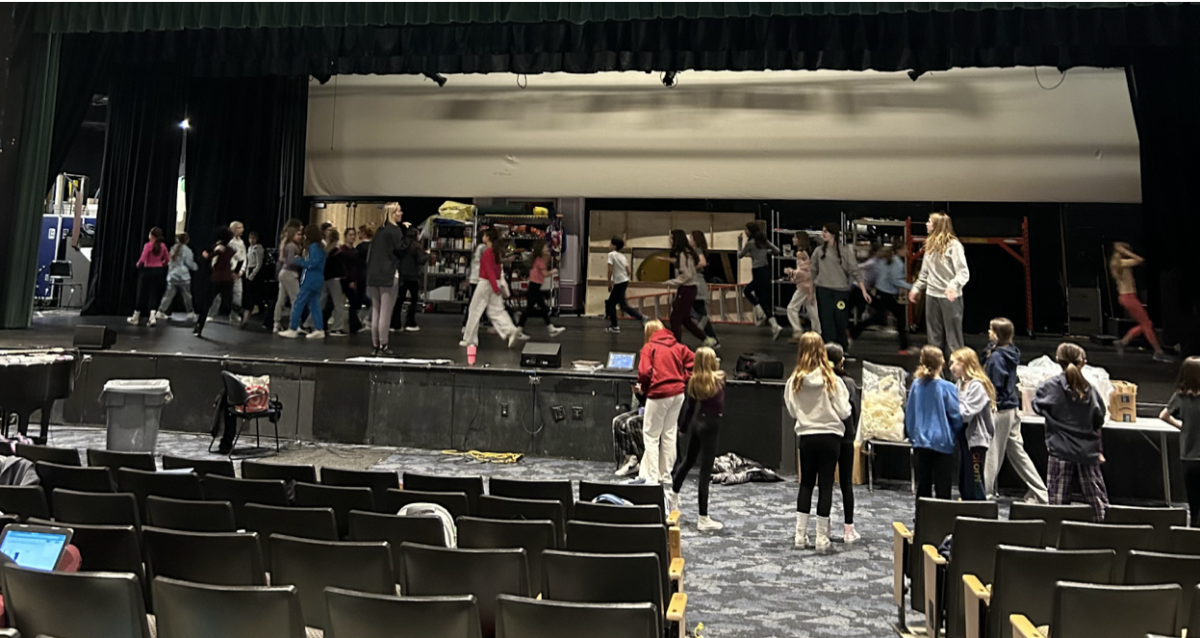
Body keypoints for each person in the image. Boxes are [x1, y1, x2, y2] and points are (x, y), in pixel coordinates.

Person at [786, 332, 851, 550]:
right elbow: (844, 411)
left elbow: (793, 411)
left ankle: (800, 535)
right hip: (830, 437)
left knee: (806, 484)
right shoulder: (832, 379)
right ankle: (821, 538)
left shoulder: (794, 380)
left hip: (806, 436)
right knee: (825, 485)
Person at [1033, 343, 1109, 521]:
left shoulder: (1050, 386)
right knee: (1097, 504)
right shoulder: (1090, 389)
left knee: (1057, 506)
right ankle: (1106, 538)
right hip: (1087, 452)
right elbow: (1099, 418)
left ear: (1057, 360)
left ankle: (1058, 542)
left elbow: (1037, 406)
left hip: (1061, 450)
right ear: (1083, 362)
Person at [982, 317, 1048, 503]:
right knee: (1018, 453)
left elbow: (995, 384)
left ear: (997, 334)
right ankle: (1041, 493)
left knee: (992, 452)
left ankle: (983, 496)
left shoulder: (996, 358)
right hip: (1012, 408)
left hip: (1000, 409)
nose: (988, 333)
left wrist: (989, 402)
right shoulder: (1009, 352)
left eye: (991, 330)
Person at [668, 346, 726, 532]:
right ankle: (703, 517)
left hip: (697, 423)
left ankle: (673, 494)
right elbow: (719, 371)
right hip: (711, 425)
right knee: (705, 471)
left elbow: (689, 408)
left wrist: (683, 428)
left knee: (688, 461)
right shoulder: (720, 379)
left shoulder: (693, 382)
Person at [637, 319, 695, 485]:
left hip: (658, 394)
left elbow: (644, 373)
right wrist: (683, 378)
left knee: (651, 435)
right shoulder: (677, 346)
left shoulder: (649, 348)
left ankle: (652, 477)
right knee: (669, 434)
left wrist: (646, 388)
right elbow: (695, 362)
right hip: (677, 394)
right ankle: (666, 475)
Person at [905, 345, 963, 503]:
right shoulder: (948, 388)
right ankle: (942, 524)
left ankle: (922, 522)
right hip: (942, 442)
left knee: (923, 485)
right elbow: (955, 415)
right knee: (943, 487)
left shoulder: (916, 385)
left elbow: (910, 414)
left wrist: (913, 436)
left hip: (921, 442)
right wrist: (958, 434)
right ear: (942, 363)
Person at [909, 212, 970, 357]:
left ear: (937, 226)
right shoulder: (930, 246)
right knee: (933, 340)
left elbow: (963, 273)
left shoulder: (954, 246)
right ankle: (936, 375)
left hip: (949, 298)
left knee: (953, 340)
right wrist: (916, 288)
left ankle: (957, 376)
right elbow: (924, 273)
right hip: (932, 295)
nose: (926, 224)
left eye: (929, 222)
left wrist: (953, 286)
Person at [1111, 242, 1172, 362]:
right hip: (1128, 297)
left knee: (1145, 324)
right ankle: (1158, 352)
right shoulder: (1121, 263)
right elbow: (1140, 260)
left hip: (1127, 297)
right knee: (1147, 324)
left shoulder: (1118, 263)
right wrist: (1126, 252)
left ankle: (1123, 342)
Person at [811, 223, 870, 350]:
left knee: (841, 321)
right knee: (826, 322)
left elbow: (855, 271)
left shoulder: (845, 252)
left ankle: (842, 348)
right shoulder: (819, 251)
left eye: (826, 231)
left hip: (840, 292)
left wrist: (864, 291)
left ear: (833, 234)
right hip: (823, 291)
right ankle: (828, 349)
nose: (823, 234)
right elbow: (813, 271)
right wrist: (811, 292)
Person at [461, 229, 521, 349]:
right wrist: (497, 285)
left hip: (485, 283)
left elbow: (488, 271)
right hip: (495, 282)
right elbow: (497, 270)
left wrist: (493, 285)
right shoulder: (496, 252)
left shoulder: (487, 252)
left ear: (487, 237)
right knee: (497, 311)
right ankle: (510, 329)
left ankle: (469, 339)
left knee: (474, 310)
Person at [826, 342, 861, 543]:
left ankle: (826, 526)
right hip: (846, 437)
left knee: (827, 482)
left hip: (828, 436)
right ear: (842, 360)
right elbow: (854, 410)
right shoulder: (848, 383)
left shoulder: (821, 379)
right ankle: (849, 529)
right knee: (846, 483)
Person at [950, 348, 996, 501]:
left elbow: (966, 413)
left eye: (954, 363)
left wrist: (950, 412)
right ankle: (967, 508)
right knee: (965, 480)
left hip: (975, 440)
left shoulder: (977, 386)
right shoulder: (959, 384)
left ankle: (980, 511)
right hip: (964, 438)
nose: (951, 368)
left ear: (965, 364)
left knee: (975, 480)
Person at [1160, 357, 1200, 525]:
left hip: (1188, 457)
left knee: (1193, 503)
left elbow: (1164, 415)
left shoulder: (1180, 396)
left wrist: (1181, 426)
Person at [850, 244, 911, 353]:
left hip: (880, 292)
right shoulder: (895, 262)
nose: (907, 251)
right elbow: (895, 280)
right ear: (899, 250)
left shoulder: (884, 261)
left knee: (880, 316)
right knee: (896, 316)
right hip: (885, 293)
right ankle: (903, 347)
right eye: (905, 248)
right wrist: (912, 287)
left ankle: (854, 331)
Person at [365, 203, 406, 355]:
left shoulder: (379, 232)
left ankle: (375, 345)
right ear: (393, 214)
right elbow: (401, 249)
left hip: (374, 275)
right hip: (388, 275)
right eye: (399, 211)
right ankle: (384, 344)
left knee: (376, 311)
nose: (401, 213)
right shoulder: (395, 231)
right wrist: (408, 232)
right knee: (386, 312)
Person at [661, 229, 710, 347]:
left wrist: (672, 281)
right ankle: (706, 338)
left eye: (672, 238)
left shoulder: (684, 254)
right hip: (687, 288)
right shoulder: (685, 253)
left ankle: (676, 345)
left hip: (688, 288)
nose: (670, 241)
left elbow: (687, 274)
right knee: (685, 319)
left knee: (675, 318)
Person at [279, 225, 328, 340]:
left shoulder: (314, 247)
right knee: (314, 305)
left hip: (310, 279)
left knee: (298, 303)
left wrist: (298, 260)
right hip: (317, 279)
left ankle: (293, 328)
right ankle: (319, 329)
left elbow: (311, 263)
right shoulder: (320, 247)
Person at [737, 221, 783, 339]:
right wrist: (765, 252)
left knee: (749, 292)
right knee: (759, 296)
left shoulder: (750, 243)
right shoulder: (763, 241)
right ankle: (765, 317)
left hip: (758, 271)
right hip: (766, 271)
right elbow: (777, 250)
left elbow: (739, 255)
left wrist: (739, 242)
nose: (745, 232)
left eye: (747, 230)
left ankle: (772, 322)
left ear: (751, 231)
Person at [193, 226, 237, 337]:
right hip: (227, 279)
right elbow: (234, 262)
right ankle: (244, 309)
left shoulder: (217, 248)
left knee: (206, 304)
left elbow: (213, 260)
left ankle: (199, 327)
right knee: (228, 302)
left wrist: (206, 256)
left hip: (216, 279)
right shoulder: (231, 250)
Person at [517, 239, 566, 338]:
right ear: (540, 249)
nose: (547, 248)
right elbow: (545, 274)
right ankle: (518, 330)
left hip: (535, 286)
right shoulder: (540, 260)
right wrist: (553, 271)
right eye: (545, 247)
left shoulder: (540, 259)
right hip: (534, 286)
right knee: (529, 310)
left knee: (541, 308)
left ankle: (550, 328)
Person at [129, 227, 169, 326]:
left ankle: (136, 317)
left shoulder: (148, 245)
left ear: (152, 236)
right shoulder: (163, 246)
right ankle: (152, 318)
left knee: (142, 293)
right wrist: (161, 264)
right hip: (158, 272)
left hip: (147, 271)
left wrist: (138, 265)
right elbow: (167, 259)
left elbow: (143, 259)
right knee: (154, 294)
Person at [604, 236, 645, 333]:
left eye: (611, 244)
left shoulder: (611, 255)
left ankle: (615, 326)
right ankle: (641, 317)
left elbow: (610, 269)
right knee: (622, 305)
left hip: (619, 282)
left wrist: (609, 282)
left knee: (611, 304)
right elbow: (629, 271)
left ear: (614, 246)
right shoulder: (622, 256)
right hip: (624, 281)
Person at [784, 233, 820, 339]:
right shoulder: (807, 252)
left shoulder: (800, 254)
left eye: (795, 237)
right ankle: (817, 331)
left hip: (804, 285)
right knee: (812, 307)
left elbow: (804, 272)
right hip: (809, 284)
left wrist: (790, 272)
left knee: (791, 308)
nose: (793, 239)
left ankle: (798, 331)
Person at [689, 231, 721, 347]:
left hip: (698, 285)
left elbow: (702, 263)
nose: (689, 239)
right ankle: (712, 338)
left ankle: (708, 336)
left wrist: (691, 269)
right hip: (696, 284)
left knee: (698, 311)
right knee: (698, 310)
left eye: (691, 237)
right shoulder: (694, 252)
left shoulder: (697, 251)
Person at [156, 232, 197, 322]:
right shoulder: (187, 250)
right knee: (187, 296)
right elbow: (189, 263)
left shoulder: (173, 249)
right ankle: (190, 312)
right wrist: (196, 267)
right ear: (187, 240)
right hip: (184, 276)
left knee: (168, 295)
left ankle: (161, 311)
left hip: (172, 276)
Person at [273, 221, 304, 333]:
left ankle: (276, 323)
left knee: (281, 299)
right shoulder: (292, 246)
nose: (300, 237)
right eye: (298, 234)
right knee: (296, 299)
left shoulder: (287, 245)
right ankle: (294, 325)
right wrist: (303, 261)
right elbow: (291, 261)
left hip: (284, 272)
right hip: (290, 273)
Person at [398, 225, 428, 332]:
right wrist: (427, 255)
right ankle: (410, 322)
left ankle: (395, 323)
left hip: (402, 275)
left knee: (400, 300)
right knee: (414, 300)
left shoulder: (401, 245)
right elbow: (421, 260)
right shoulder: (416, 246)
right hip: (413, 276)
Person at [612, 385, 646, 477]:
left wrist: (644, 391)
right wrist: (639, 392)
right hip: (642, 408)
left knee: (631, 423)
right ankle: (629, 459)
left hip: (655, 410)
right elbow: (642, 400)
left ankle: (642, 462)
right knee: (618, 421)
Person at [321, 228, 349, 337]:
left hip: (325, 278)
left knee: (320, 302)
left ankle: (310, 323)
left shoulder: (326, 251)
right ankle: (337, 327)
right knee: (338, 304)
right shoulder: (337, 252)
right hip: (335, 279)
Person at [238, 231, 265, 328]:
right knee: (246, 297)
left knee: (251, 298)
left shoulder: (258, 248)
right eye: (250, 238)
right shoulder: (249, 248)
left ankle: (245, 319)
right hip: (248, 271)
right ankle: (245, 317)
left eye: (253, 238)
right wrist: (246, 273)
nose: (251, 240)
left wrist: (252, 275)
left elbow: (259, 263)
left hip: (255, 273)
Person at [340, 227, 363, 334]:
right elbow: (344, 267)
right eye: (350, 235)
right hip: (345, 279)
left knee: (353, 302)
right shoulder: (343, 251)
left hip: (352, 279)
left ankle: (354, 324)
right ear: (345, 237)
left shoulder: (355, 251)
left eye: (354, 235)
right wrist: (350, 280)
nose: (352, 237)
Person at [228, 221, 247, 322]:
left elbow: (244, 258)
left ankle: (234, 315)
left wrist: (241, 271)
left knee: (238, 294)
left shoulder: (241, 242)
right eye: (240, 228)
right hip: (228, 272)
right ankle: (212, 313)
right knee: (219, 294)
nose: (242, 230)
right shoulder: (229, 242)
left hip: (237, 272)